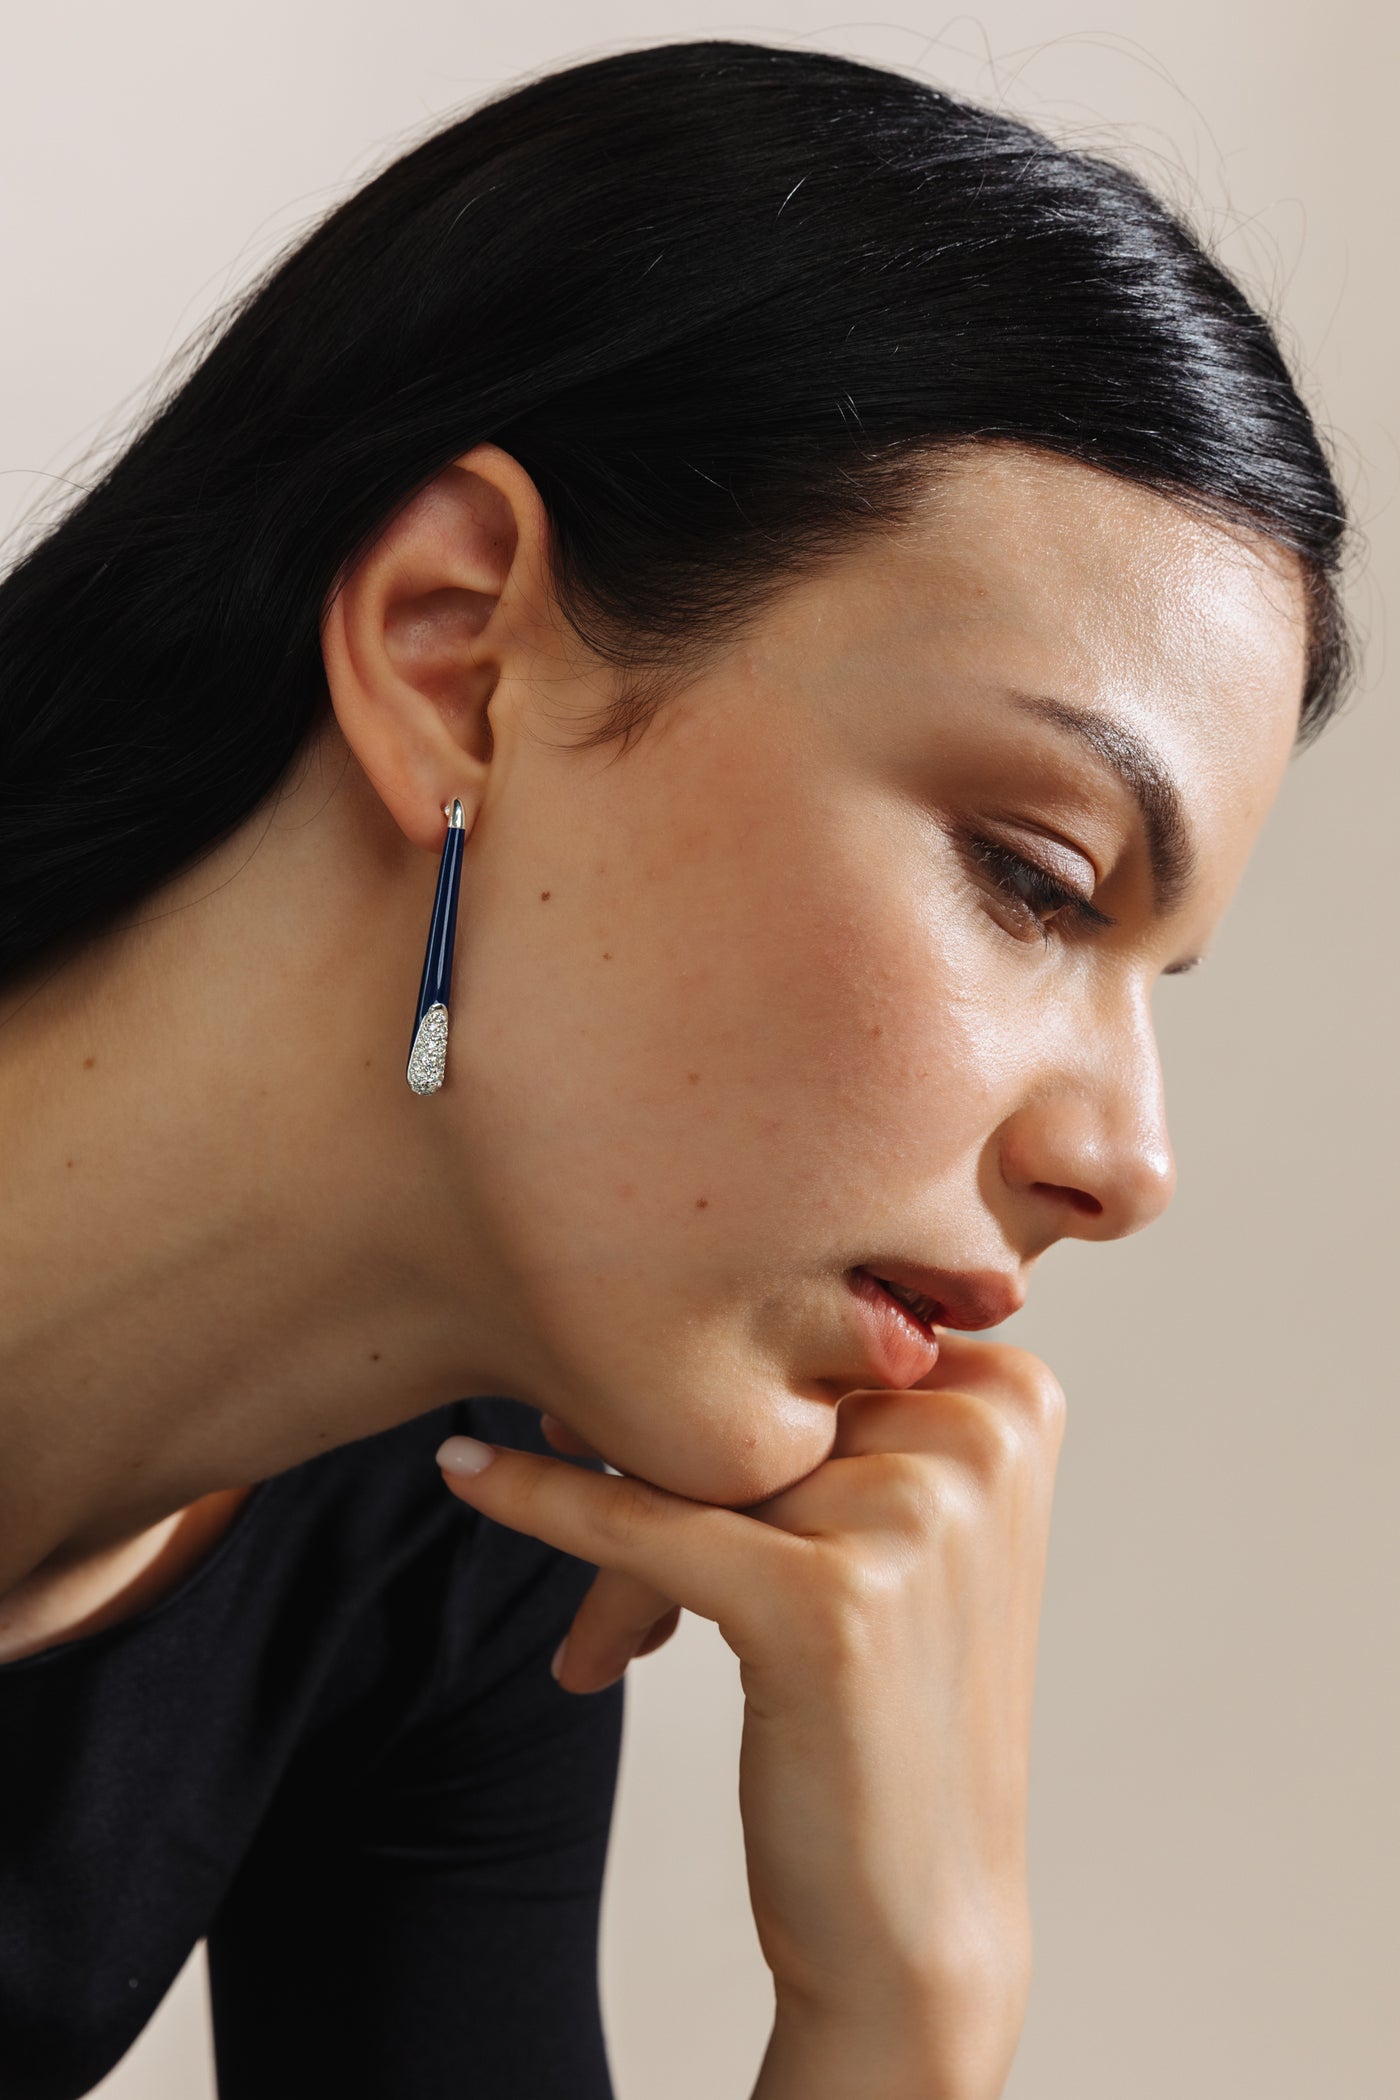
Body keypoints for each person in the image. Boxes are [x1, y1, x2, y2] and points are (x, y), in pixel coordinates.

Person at [0, 38, 1350, 2100]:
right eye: (1031, 874)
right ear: (457, 651)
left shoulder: (465, 1528)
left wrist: (905, 1999)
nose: (1127, 1157)